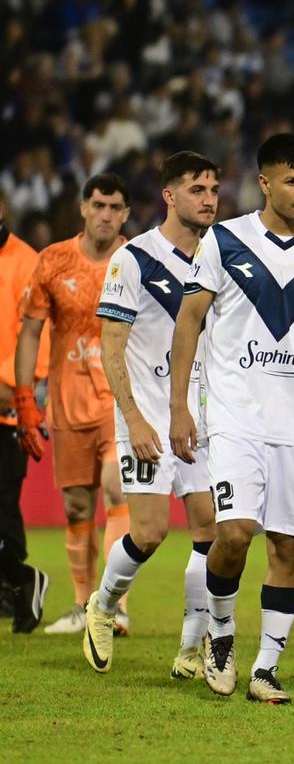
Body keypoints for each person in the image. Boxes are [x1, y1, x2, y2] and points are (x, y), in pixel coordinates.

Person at [169, 133, 294, 704]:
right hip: (235, 418)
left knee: (287, 548)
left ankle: (266, 668)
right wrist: (180, 405)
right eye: (292, 181)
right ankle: (222, 636)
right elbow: (189, 323)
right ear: (265, 183)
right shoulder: (225, 241)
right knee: (232, 535)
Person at [84, 152, 220, 677]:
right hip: (148, 416)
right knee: (150, 532)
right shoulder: (134, 259)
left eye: (213, 189)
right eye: (196, 189)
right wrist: (135, 419)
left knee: (211, 528)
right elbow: (110, 347)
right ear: (169, 195)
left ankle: (190, 646)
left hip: (204, 417)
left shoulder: (222, 256)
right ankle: (103, 603)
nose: (208, 199)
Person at [14, 174, 131, 635]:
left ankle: (115, 606)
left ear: (125, 214)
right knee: (78, 509)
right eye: (99, 204)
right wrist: (26, 396)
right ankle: (85, 606)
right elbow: (29, 332)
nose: (106, 214)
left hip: (120, 404)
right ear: (83, 208)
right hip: (66, 405)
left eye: (115, 207)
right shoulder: (53, 261)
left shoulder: (136, 260)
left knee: (118, 491)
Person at [0, 189, 50, 633]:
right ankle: (18, 583)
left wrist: (15, 385)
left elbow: (37, 335)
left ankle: (18, 584)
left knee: (3, 506)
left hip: (10, 407)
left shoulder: (25, 261)